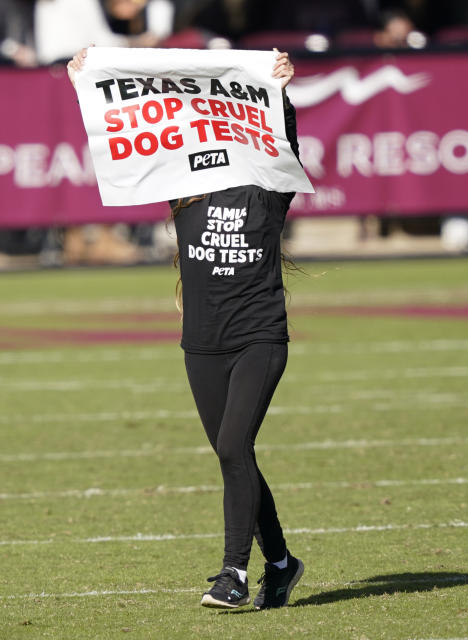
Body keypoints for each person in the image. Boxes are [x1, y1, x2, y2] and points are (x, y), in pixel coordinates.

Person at [67, 46, 305, 611]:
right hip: (201, 342)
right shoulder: (183, 190)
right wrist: (90, 78)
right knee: (234, 454)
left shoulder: (267, 188)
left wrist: (283, 93)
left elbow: (286, 141)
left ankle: (233, 575)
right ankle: (281, 563)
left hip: (259, 337)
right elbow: (131, 126)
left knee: (232, 445)